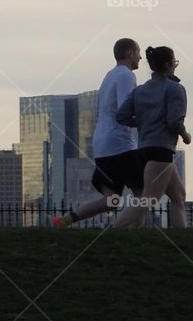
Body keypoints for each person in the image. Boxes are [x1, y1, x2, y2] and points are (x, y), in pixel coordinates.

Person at [54, 38, 143, 228]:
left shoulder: (109, 76)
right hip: (121, 143)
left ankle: (65, 221)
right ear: (129, 54)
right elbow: (124, 111)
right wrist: (145, 122)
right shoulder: (126, 76)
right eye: (138, 53)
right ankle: (132, 233)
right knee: (142, 192)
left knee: (111, 200)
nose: (140, 58)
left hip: (102, 145)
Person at [112, 45, 190, 229]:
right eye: (175, 63)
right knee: (149, 199)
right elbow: (174, 121)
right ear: (170, 64)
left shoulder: (140, 91)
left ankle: (181, 237)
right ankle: (114, 229)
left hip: (144, 149)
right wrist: (186, 136)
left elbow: (121, 116)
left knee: (178, 195)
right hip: (161, 149)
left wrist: (144, 122)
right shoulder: (175, 89)